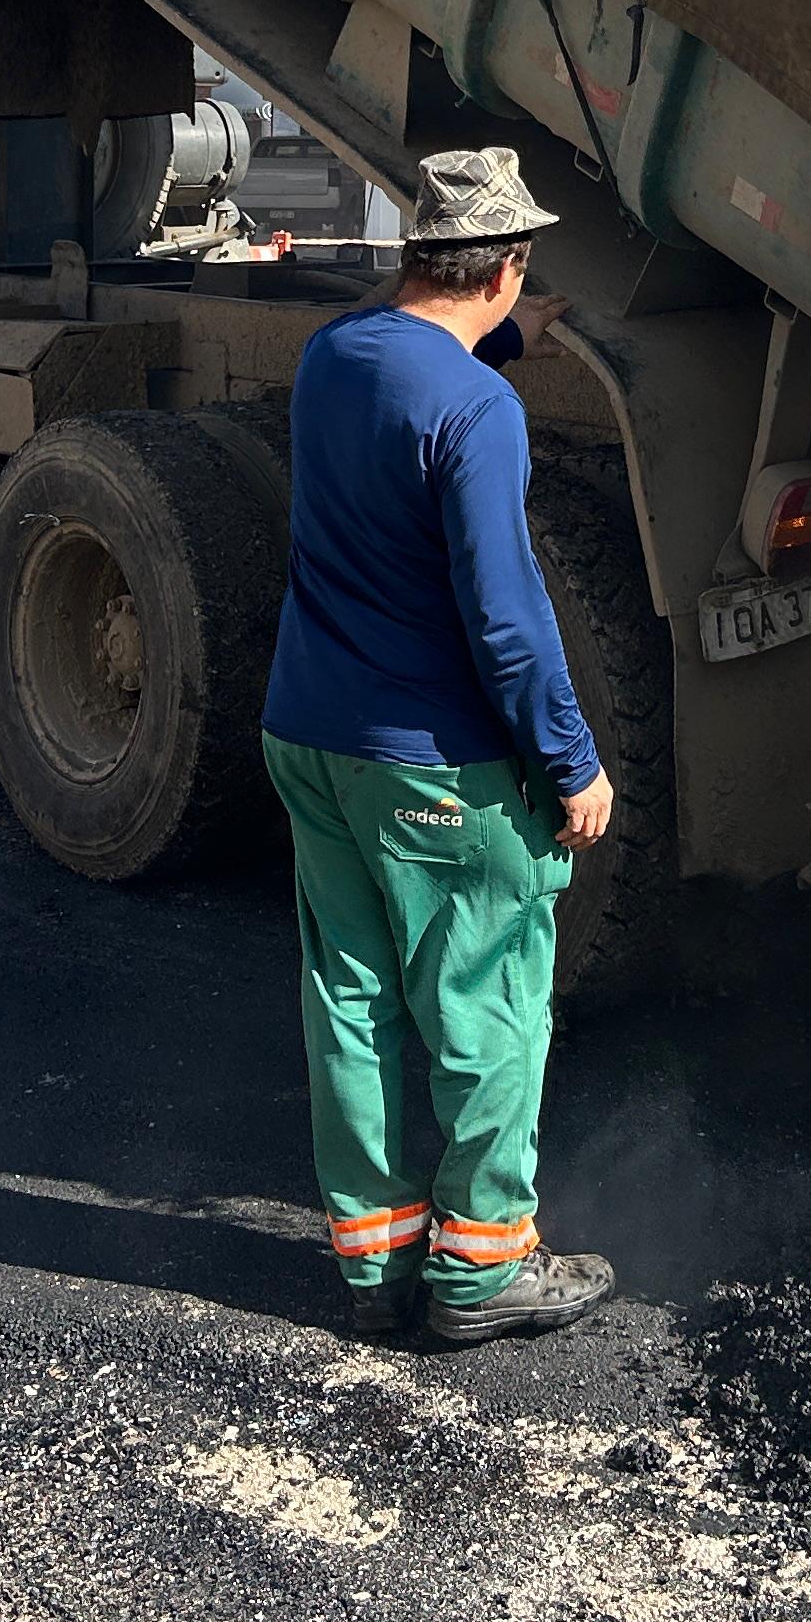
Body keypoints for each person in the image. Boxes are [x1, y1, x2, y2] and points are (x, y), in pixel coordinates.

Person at [261, 147, 618, 1346]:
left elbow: (413, 376)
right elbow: (507, 618)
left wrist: (511, 331)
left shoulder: (333, 356)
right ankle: (482, 1273)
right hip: (434, 768)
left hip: (309, 737)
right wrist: (571, 762)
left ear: (419, 256)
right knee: (486, 1005)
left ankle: (374, 1263)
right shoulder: (480, 410)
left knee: (350, 997)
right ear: (507, 267)